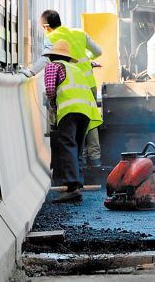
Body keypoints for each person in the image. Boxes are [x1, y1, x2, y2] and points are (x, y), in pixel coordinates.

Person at [31, 10, 104, 167]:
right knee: (90, 121)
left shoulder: (52, 37)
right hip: (88, 84)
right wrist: (87, 61)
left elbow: (45, 59)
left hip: (69, 87)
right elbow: (98, 51)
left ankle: (80, 164)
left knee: (72, 126)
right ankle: (96, 162)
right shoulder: (79, 33)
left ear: (46, 26)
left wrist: (29, 72)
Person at [43, 40, 103, 202]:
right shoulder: (76, 69)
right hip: (86, 111)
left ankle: (72, 185)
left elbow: (49, 89)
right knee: (76, 147)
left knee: (67, 144)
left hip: (69, 110)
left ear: (52, 56)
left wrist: (53, 106)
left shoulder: (53, 66)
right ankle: (77, 182)